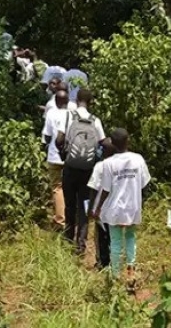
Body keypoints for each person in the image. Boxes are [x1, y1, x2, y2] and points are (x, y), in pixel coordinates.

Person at [92, 128, 151, 278]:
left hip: (115, 210)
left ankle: (116, 275)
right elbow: (145, 183)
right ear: (128, 140)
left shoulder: (108, 163)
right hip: (133, 207)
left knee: (116, 242)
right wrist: (139, 201)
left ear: (112, 143)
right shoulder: (138, 159)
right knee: (131, 237)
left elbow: (105, 189)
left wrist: (97, 208)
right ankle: (131, 269)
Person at [56, 88, 106, 255]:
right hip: (87, 171)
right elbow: (103, 143)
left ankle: (68, 240)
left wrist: (63, 153)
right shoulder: (95, 120)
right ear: (90, 102)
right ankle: (81, 245)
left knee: (69, 206)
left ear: (76, 100)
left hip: (70, 169)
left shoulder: (69, 116)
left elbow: (59, 139)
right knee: (84, 206)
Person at [42, 88, 71, 229]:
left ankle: (60, 220)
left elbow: (46, 136)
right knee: (70, 188)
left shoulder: (51, 113)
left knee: (57, 188)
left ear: (56, 101)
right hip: (70, 157)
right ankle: (72, 218)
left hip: (54, 156)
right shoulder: (74, 114)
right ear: (68, 101)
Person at [88, 138, 116, 271]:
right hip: (116, 209)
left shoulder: (100, 166)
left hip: (102, 209)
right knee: (113, 236)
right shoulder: (120, 165)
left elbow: (93, 189)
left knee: (101, 238)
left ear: (103, 152)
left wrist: (91, 208)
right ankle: (114, 262)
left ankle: (103, 263)